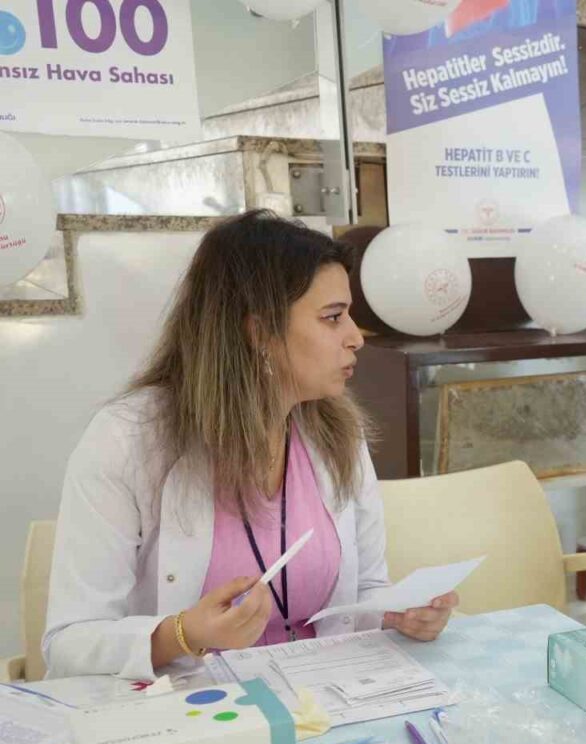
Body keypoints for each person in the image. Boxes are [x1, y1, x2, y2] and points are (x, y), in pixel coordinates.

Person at [43, 210, 459, 680]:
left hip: (322, 702)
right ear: (258, 331)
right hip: (195, 714)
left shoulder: (337, 433)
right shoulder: (128, 439)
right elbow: (69, 643)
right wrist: (185, 633)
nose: (355, 338)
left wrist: (395, 613)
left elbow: (361, 593)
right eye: (333, 318)